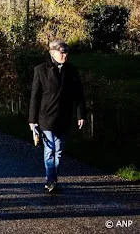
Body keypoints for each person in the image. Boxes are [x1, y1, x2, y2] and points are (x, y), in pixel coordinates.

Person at [29, 40, 85, 194]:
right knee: (49, 149)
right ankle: (50, 179)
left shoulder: (71, 71)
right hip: (46, 117)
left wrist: (80, 115)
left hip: (64, 117)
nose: (65, 56)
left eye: (66, 53)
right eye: (62, 53)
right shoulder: (40, 70)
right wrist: (32, 120)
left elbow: (79, 94)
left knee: (59, 151)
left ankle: (53, 178)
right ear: (52, 53)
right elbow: (35, 96)